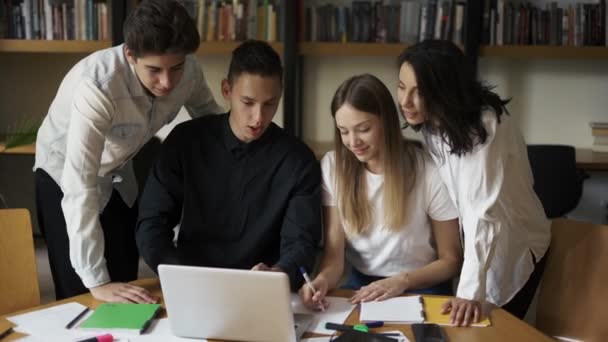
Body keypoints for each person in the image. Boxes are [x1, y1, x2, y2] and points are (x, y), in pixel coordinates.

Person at [34, 0, 223, 302]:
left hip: (119, 169)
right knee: (81, 291)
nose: (167, 82)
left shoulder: (189, 72)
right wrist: (96, 283)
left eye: (176, 67)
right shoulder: (98, 85)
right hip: (63, 174)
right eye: (154, 70)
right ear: (130, 55)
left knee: (126, 283)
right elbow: (79, 183)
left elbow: (210, 118)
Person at [135, 40, 322, 290]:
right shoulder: (185, 142)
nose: (258, 117)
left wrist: (279, 273)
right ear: (226, 90)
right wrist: (179, 275)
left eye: (269, 104)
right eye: (248, 102)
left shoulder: (299, 160)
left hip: (263, 290)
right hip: (191, 284)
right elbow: (151, 225)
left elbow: (301, 243)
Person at [396, 39, 551, 325]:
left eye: (419, 92)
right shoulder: (433, 123)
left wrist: (469, 291)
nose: (405, 101)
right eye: (402, 87)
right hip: (479, 251)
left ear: (445, 90)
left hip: (515, 247)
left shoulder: (485, 126)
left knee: (490, 331)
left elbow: (482, 213)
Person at [299, 74, 462, 311]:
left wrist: (402, 281)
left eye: (363, 129)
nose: (353, 141)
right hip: (363, 284)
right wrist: (321, 281)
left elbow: (451, 259)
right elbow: (334, 259)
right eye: (343, 131)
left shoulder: (427, 169)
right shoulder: (333, 167)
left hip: (423, 284)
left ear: (386, 121)